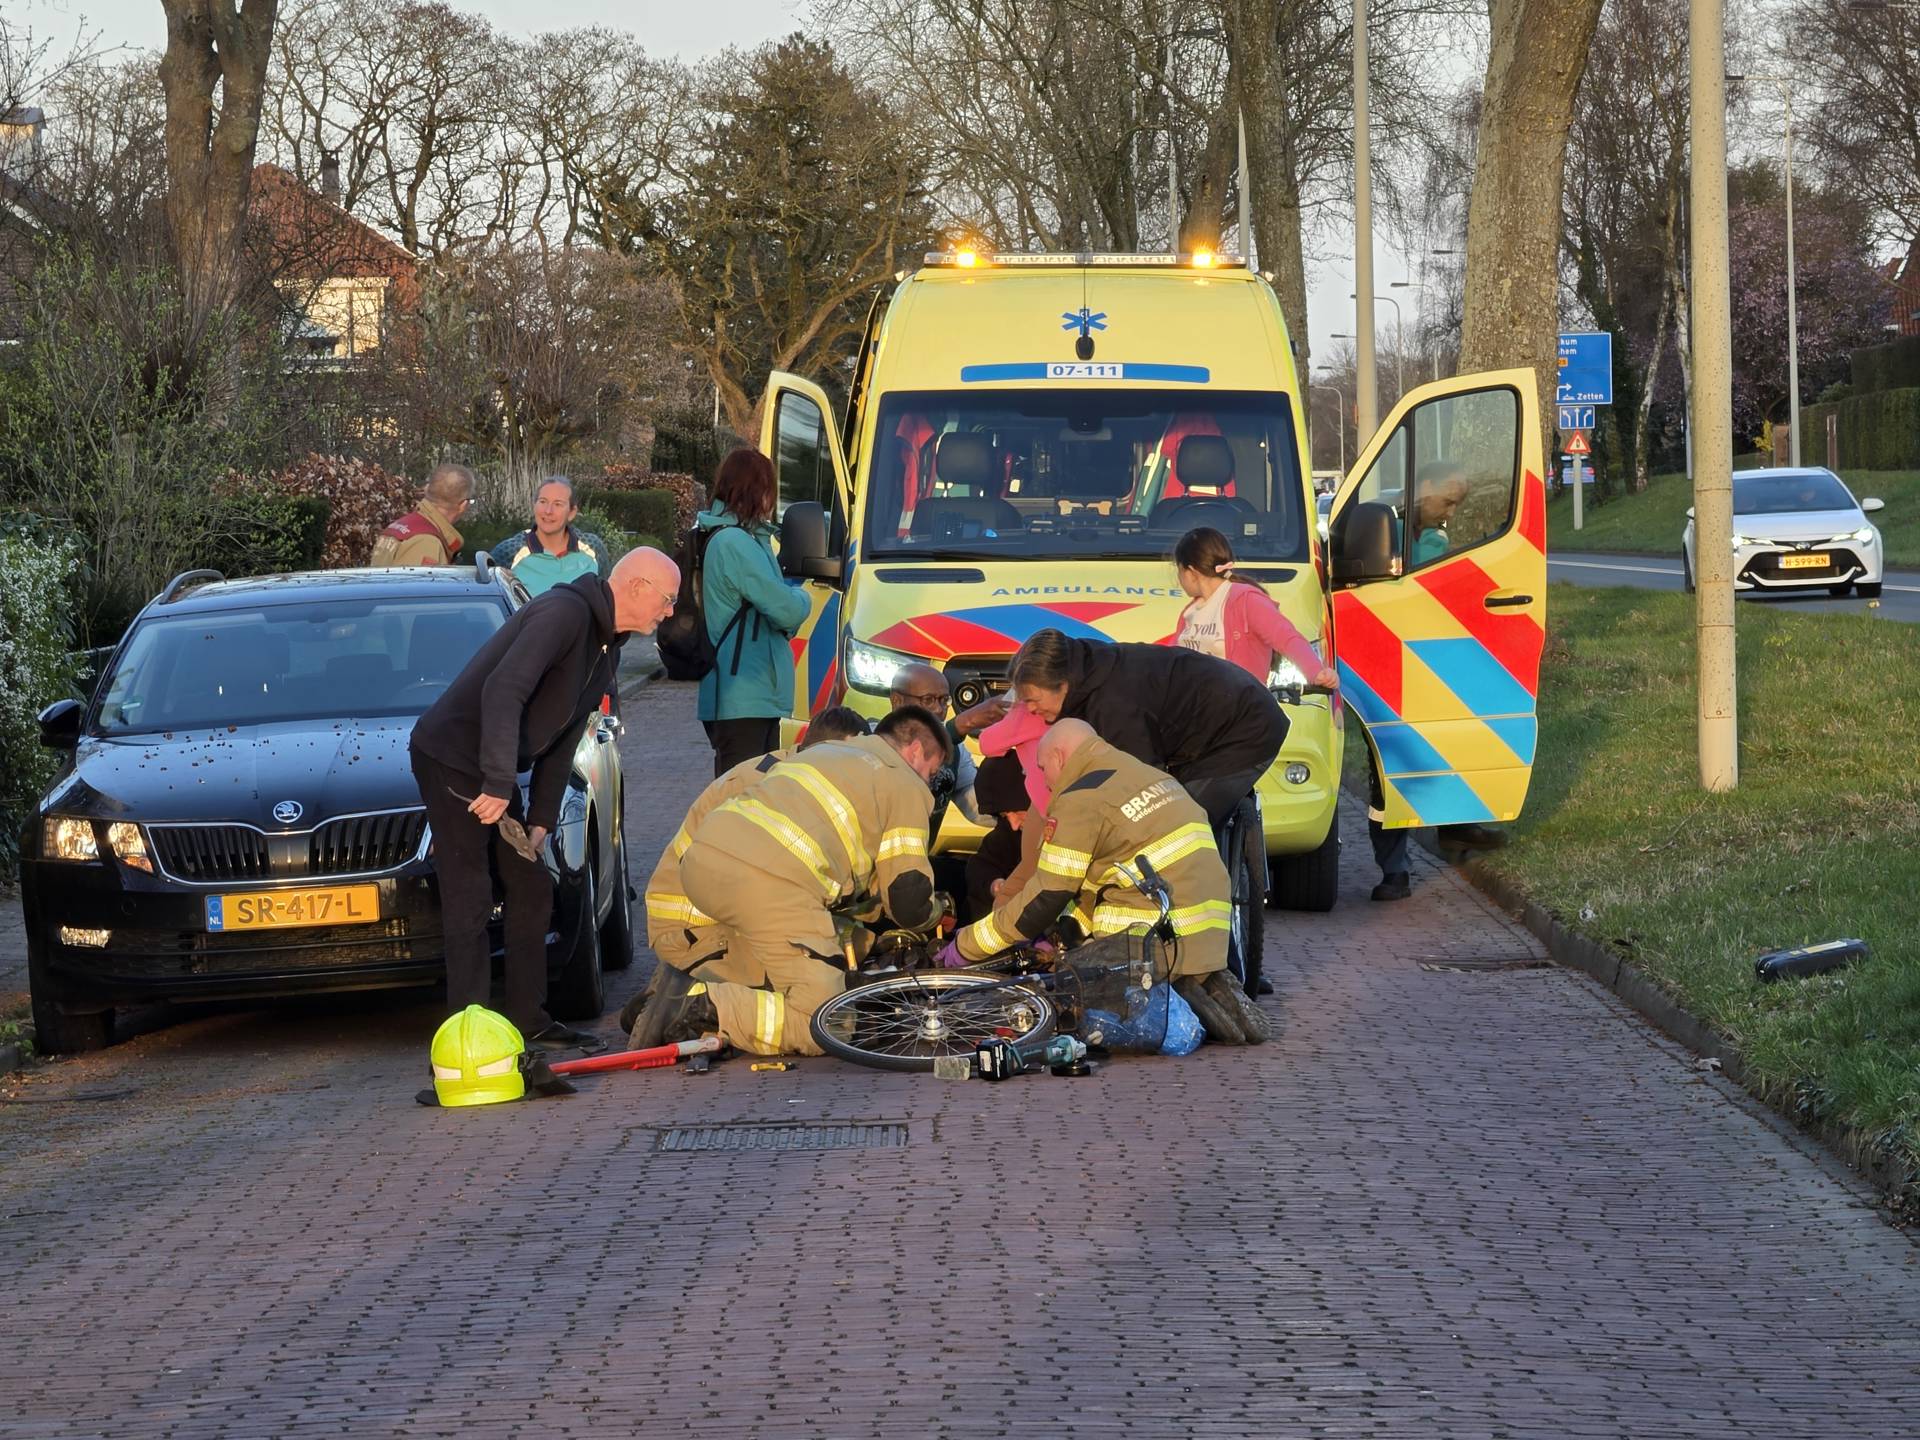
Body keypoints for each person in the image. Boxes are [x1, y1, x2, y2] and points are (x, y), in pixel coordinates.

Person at [408, 547, 680, 1047]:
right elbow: (502, 690)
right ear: (637, 587)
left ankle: (527, 1019)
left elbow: (564, 736)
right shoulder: (563, 614)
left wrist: (542, 818)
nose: (670, 611)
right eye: (667, 599)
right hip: (451, 756)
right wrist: (497, 784)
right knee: (470, 897)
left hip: (488, 766)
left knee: (531, 887)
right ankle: (468, 1038)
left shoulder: (607, 647)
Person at [627, 707, 951, 1057]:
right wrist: (937, 911)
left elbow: (841, 881)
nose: (929, 783)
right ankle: (697, 1004)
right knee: (829, 1021)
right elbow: (907, 900)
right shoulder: (905, 783)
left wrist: (868, 938)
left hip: (705, 867)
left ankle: (683, 990)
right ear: (914, 751)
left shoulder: (823, 754)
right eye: (931, 772)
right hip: (761, 885)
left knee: (819, 954)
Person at [938, 719, 1270, 1046]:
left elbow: (1045, 896)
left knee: (1067, 997)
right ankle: (1198, 982)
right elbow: (1094, 884)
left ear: (1059, 757)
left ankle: (1171, 994)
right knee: (1083, 911)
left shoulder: (1081, 798)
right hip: (1208, 932)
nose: (1041, 779)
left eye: (1040, 768)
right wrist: (1059, 935)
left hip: (1156, 942)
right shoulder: (1141, 773)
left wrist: (968, 945)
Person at [634, 704, 871, 1011]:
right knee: (811, 979)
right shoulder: (772, 788)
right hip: (700, 931)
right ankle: (690, 1004)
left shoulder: (788, 772)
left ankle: (687, 990)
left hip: (715, 918)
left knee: (846, 941)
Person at [1006, 628, 1288, 828]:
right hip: (1209, 719)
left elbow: (1141, 780)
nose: (1030, 709)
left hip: (1245, 727)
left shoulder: (1114, 703)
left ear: (1062, 684)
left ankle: (1208, 890)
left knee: (1177, 827)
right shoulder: (1086, 669)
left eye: (1033, 699)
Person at [695, 448, 812, 776]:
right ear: (756, 490)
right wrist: (803, 599)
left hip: (749, 696)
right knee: (743, 796)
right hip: (743, 695)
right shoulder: (735, 543)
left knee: (753, 794)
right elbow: (787, 610)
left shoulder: (741, 538)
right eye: (769, 489)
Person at [1172, 526, 1338, 690]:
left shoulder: (1247, 600)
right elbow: (1171, 660)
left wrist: (1316, 672)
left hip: (1238, 703)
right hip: (1193, 704)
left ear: (1191, 572)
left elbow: (1287, 638)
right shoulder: (1191, 610)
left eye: (1179, 570)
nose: (1179, 579)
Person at [489, 476, 610, 596]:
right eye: (543, 502)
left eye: (558, 504)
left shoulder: (593, 547)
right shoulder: (509, 551)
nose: (548, 511)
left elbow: (608, 598)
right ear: (534, 505)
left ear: (572, 513)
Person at [370, 462, 476, 567]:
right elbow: (418, 579)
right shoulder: (428, 542)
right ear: (463, 505)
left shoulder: (399, 527)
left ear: (427, 489)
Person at [965, 753, 1030, 922]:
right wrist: (994, 885)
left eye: (1016, 811)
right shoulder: (1006, 833)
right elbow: (981, 865)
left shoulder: (1065, 828)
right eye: (1004, 815)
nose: (1014, 824)